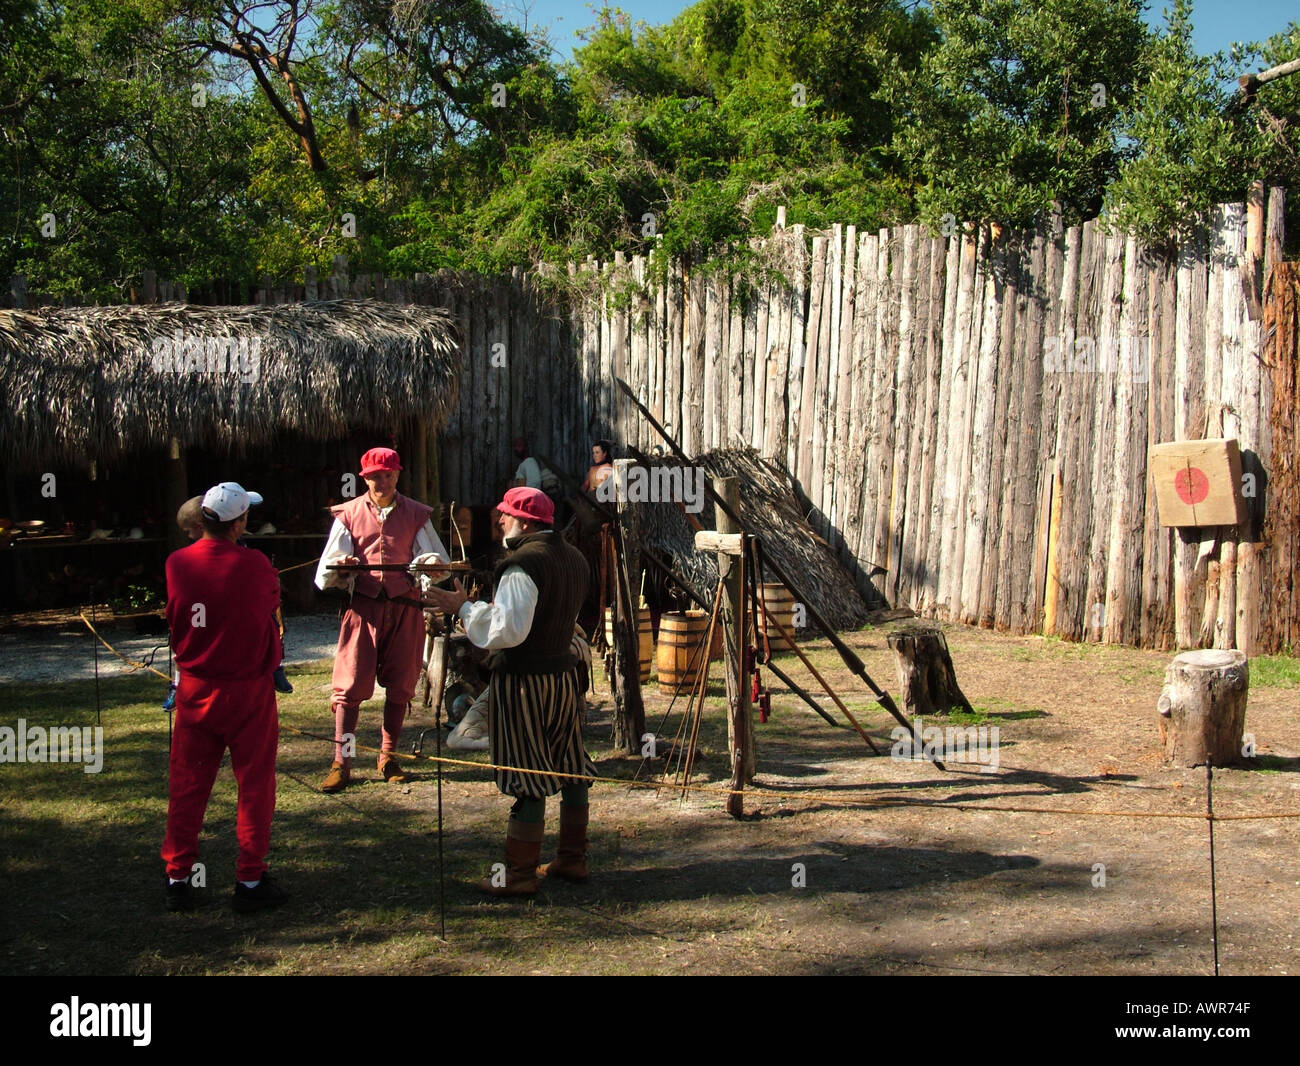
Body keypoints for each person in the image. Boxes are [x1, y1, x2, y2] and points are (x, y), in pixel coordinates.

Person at [425, 487, 593, 896]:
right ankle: (573, 858)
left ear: (525, 521)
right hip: (563, 679)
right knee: (570, 766)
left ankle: (519, 875)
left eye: (505, 514)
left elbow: (507, 631)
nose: (499, 520)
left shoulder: (522, 565)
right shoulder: (574, 558)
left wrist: (462, 607)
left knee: (527, 770)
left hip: (525, 683)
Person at [161, 482, 287, 913]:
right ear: (239, 522)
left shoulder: (176, 562)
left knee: (188, 784)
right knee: (254, 786)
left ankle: (178, 875)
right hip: (246, 690)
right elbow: (270, 601)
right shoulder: (255, 566)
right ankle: (249, 879)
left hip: (195, 687)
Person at [314, 447, 449, 792]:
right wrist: (343, 567)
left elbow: (436, 562)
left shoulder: (417, 514)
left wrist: (429, 567)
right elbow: (325, 573)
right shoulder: (348, 513)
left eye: (388, 474)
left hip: (405, 609)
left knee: (401, 686)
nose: (382, 481)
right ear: (365, 478)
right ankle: (342, 762)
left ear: (397, 475)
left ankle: (388, 756)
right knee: (350, 687)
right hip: (363, 609)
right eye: (375, 476)